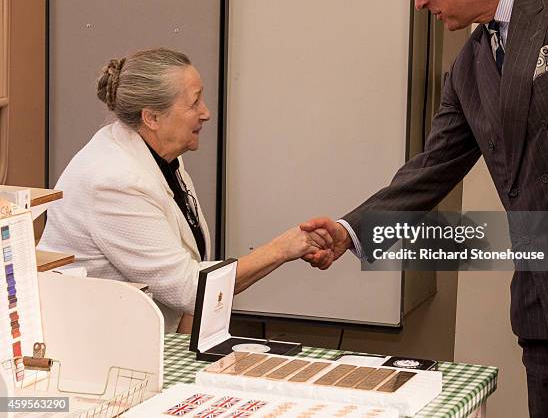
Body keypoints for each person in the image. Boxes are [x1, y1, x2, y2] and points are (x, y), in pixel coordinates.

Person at [301, 0, 548, 417]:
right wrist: (352, 231)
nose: (420, 1)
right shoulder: (469, 66)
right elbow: (432, 168)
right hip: (543, 312)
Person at [39, 48, 331, 333]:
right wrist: (282, 248)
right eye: (194, 103)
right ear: (151, 117)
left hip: (141, 335)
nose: (206, 113)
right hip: (91, 343)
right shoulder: (114, 181)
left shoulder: (163, 155)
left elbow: (190, 273)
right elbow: (191, 288)